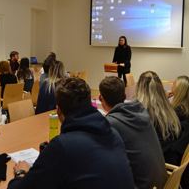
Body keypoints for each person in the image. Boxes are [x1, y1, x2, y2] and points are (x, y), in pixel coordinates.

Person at [7, 77, 135, 189]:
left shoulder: (63, 146)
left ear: (58, 111)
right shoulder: (113, 133)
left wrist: (21, 173)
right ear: (90, 103)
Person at [99, 76, 168, 189]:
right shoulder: (141, 111)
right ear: (125, 96)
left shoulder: (110, 123)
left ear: (101, 98)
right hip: (163, 183)